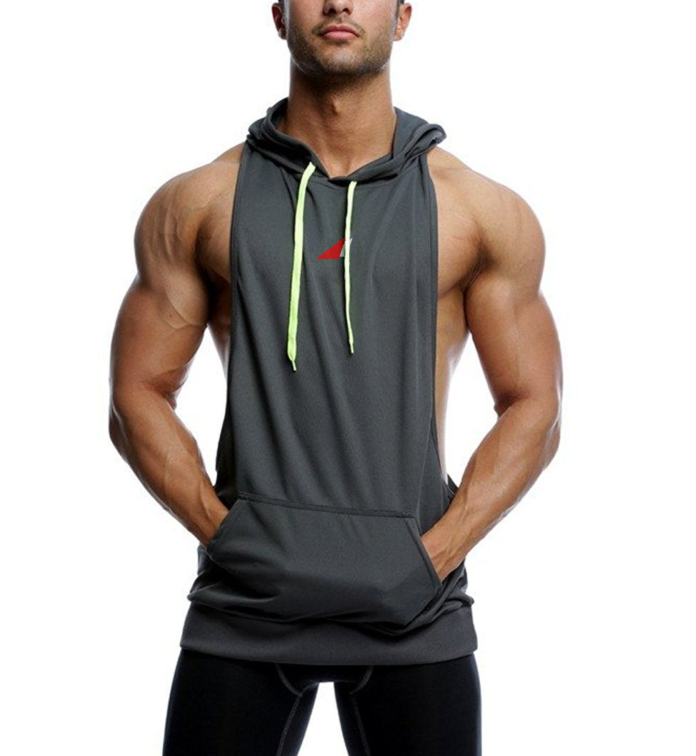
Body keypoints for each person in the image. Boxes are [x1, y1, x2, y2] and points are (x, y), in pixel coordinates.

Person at [108, 1, 563, 754]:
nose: (340, 2)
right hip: (244, 612)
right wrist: (228, 538)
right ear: (279, 14)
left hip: (416, 617)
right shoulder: (200, 201)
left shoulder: (478, 209)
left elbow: (534, 406)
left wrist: (432, 557)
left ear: (404, 16)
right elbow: (136, 395)